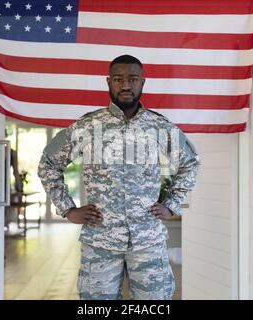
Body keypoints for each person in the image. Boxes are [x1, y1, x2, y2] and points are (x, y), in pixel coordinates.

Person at [38, 55, 200, 300]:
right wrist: (68, 209)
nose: (126, 85)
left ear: (143, 82)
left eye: (133, 79)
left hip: (147, 240)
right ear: (108, 82)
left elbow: (190, 162)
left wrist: (171, 205)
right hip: (100, 240)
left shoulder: (159, 127)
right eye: (118, 79)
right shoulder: (88, 126)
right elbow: (49, 163)